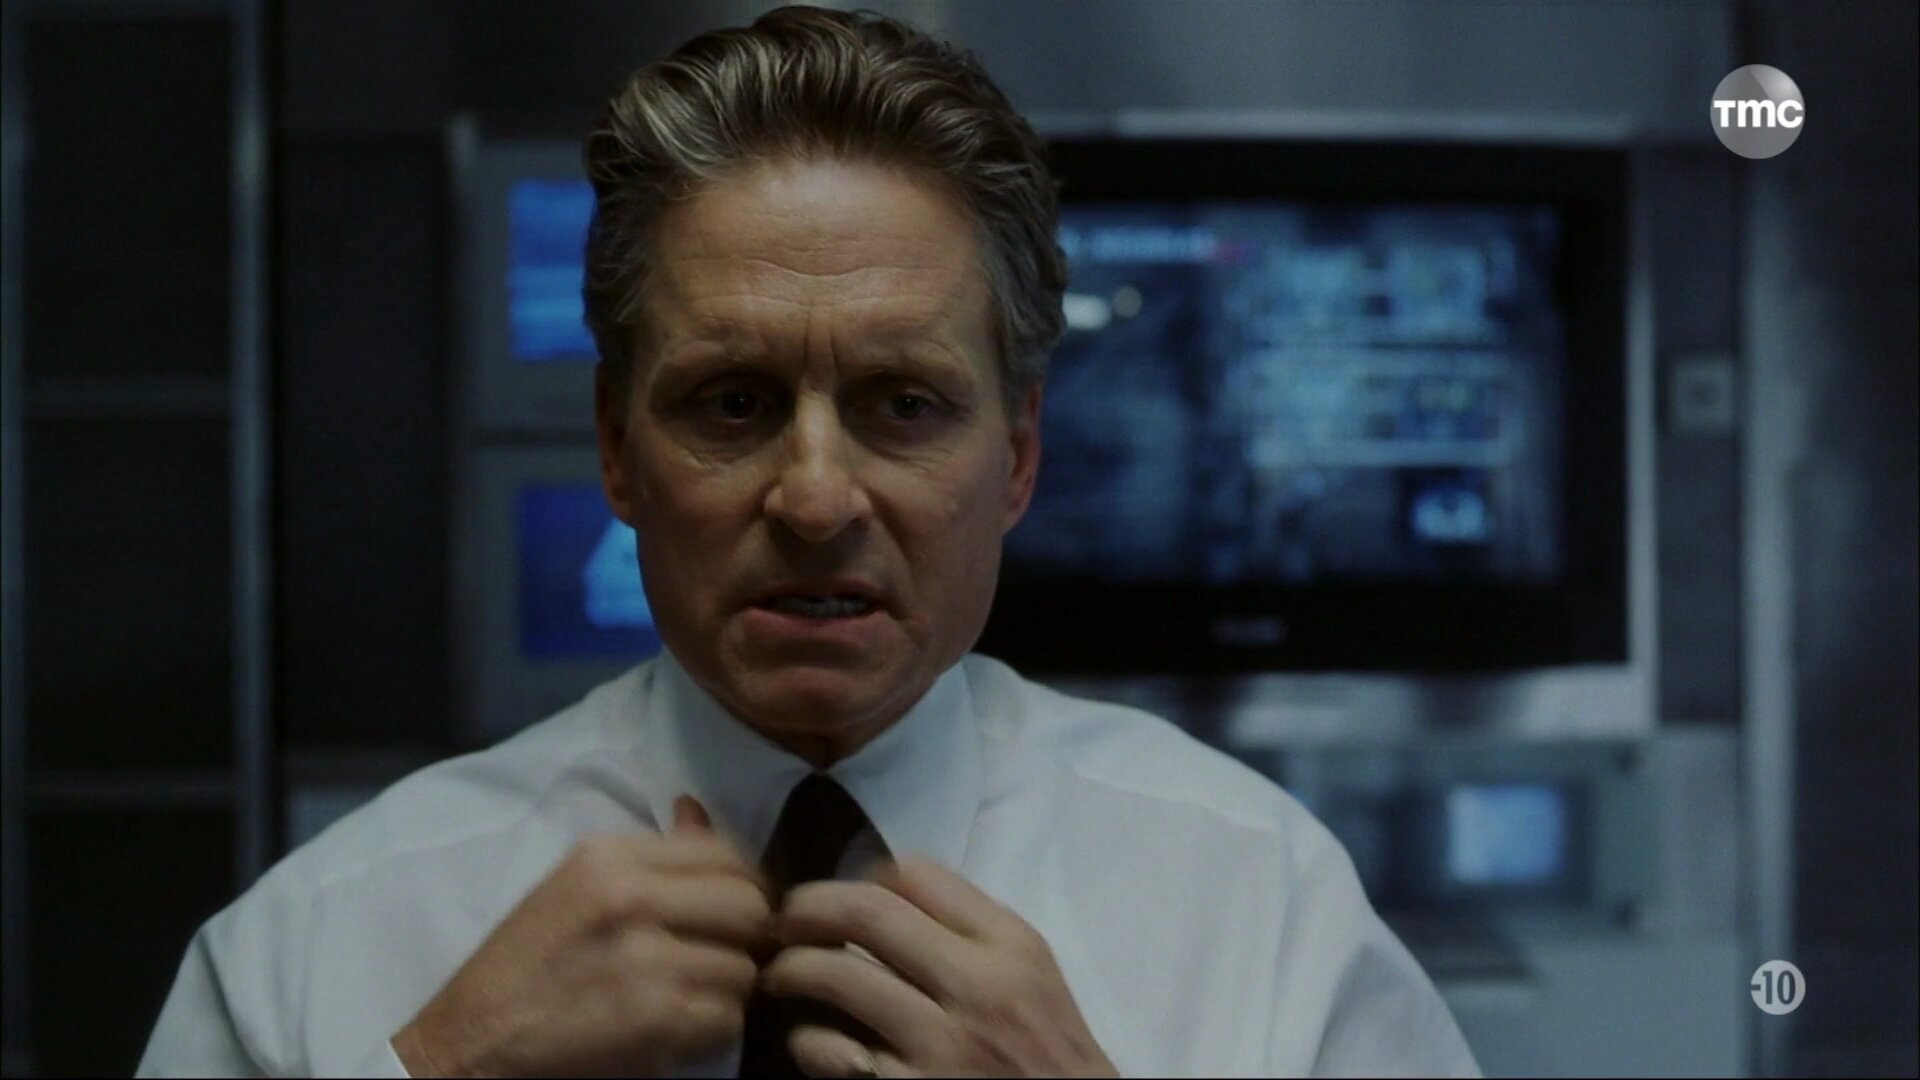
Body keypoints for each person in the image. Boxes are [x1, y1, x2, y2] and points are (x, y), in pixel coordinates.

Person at [139, 6, 1479, 1077]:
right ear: (617, 449)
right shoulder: (330, 940)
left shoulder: (1263, 907)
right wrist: (447, 1068)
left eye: (904, 405)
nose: (818, 499)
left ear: (1017, 456)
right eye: (733, 404)